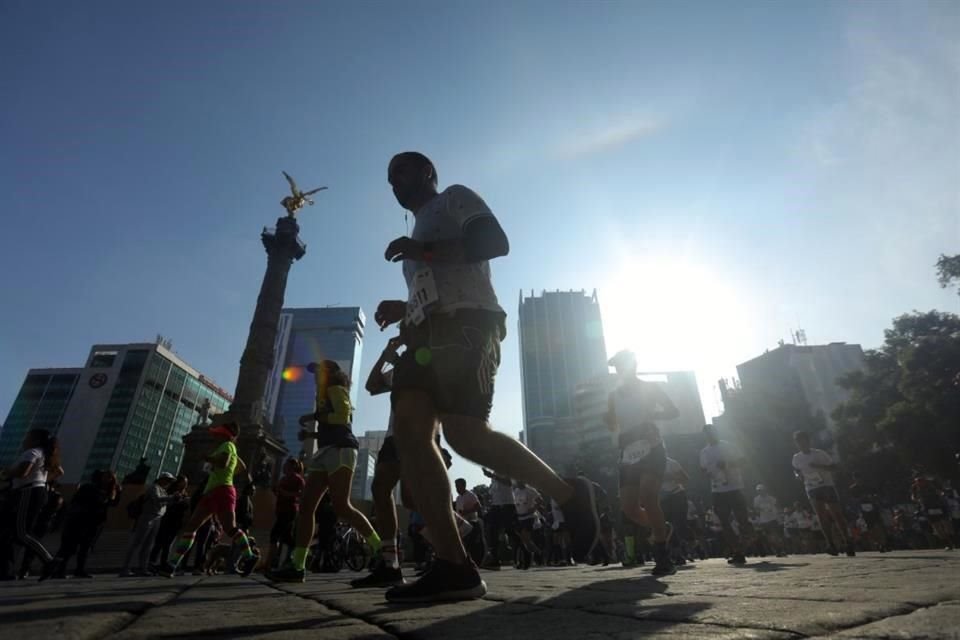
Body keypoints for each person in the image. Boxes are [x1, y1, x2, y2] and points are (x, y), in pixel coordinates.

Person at [375, 151, 601, 602]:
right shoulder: (415, 233)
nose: (395, 180)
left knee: (465, 437)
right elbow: (436, 284)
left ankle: (569, 494)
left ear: (429, 173)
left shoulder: (455, 199)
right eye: (390, 176)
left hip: (469, 326)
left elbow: (493, 243)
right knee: (409, 432)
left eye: (404, 169)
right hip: (424, 335)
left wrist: (423, 251)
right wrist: (405, 309)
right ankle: (453, 564)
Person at [266, 360, 380, 583]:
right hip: (325, 450)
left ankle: (379, 549)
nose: (315, 374)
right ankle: (298, 565)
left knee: (341, 506)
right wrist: (310, 436)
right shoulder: (322, 395)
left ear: (330, 372)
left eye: (318, 370)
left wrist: (312, 418)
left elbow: (342, 416)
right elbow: (332, 426)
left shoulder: (336, 389)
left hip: (342, 449)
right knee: (306, 507)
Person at [605, 350, 680, 576]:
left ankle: (662, 555)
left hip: (651, 446)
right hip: (628, 453)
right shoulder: (613, 395)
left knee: (648, 497)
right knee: (629, 508)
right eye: (617, 366)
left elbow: (674, 411)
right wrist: (614, 430)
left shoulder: (650, 388)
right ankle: (662, 529)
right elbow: (612, 422)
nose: (621, 369)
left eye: (624, 364)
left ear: (634, 365)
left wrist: (652, 416)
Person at [157, 422, 257, 577]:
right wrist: (229, 472)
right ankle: (172, 565)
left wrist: (208, 458)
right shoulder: (230, 447)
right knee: (196, 527)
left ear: (224, 434)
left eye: (217, 433)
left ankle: (249, 557)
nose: (214, 435)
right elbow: (242, 467)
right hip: (217, 491)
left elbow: (223, 463)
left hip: (220, 490)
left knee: (220, 527)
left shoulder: (226, 445)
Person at [0, 429, 62, 580]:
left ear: (34, 440)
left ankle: (50, 561)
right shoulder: (43, 454)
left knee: (21, 533)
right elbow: (60, 471)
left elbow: (23, 472)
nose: (24, 439)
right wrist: (41, 481)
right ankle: (47, 562)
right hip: (34, 491)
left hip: (28, 492)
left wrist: (6, 473)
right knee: (17, 532)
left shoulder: (33, 452)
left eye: (27, 437)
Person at [48, 469, 120, 579]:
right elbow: (80, 502)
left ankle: (79, 570)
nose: (109, 479)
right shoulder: (89, 488)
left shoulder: (108, 491)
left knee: (85, 548)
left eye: (111, 477)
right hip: (79, 521)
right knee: (68, 547)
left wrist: (117, 492)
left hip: (94, 523)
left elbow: (113, 503)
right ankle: (58, 570)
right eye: (107, 476)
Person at [791, 430, 854, 556]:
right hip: (811, 487)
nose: (803, 444)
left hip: (826, 485)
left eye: (805, 441)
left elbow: (834, 467)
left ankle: (848, 542)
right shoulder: (796, 458)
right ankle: (830, 544)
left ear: (809, 441)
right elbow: (796, 470)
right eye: (800, 442)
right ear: (797, 444)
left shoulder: (819, 454)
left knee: (836, 514)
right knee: (821, 516)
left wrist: (819, 466)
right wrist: (798, 476)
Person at [699, 424, 753, 565]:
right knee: (724, 522)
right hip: (717, 490)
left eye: (712, 432)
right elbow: (703, 470)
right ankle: (737, 551)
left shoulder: (729, 446)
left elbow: (743, 461)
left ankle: (747, 539)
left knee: (742, 520)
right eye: (707, 434)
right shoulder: (704, 452)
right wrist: (708, 473)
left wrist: (727, 464)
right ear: (704, 436)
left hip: (735, 487)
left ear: (716, 432)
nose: (710, 435)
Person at [119, 472, 178, 576]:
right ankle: (125, 568)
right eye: (168, 480)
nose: (169, 483)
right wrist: (171, 497)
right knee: (137, 543)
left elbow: (164, 504)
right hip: (148, 516)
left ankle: (143, 568)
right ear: (161, 479)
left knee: (148, 545)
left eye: (170, 481)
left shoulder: (163, 490)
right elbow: (156, 499)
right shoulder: (153, 487)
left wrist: (175, 499)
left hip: (158, 517)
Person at [263, 458, 305, 572]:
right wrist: (275, 491)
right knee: (286, 537)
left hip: (290, 511)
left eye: (285, 465)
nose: (283, 467)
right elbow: (279, 492)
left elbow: (302, 494)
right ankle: (289, 558)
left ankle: (268, 563)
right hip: (280, 510)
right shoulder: (283, 478)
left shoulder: (298, 479)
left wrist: (286, 493)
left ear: (292, 467)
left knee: (275, 535)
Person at [481, 468, 520, 570]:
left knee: (510, 531)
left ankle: (524, 549)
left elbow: (509, 483)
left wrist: (493, 476)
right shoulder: (494, 475)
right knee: (492, 531)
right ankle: (495, 561)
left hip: (507, 505)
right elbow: (494, 491)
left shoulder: (504, 470)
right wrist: (488, 497)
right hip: (496, 506)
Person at [149, 475, 189, 569]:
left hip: (176, 522)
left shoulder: (184, 494)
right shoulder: (170, 492)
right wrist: (177, 500)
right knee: (159, 542)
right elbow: (166, 504)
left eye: (186, 483)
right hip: (166, 519)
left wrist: (184, 501)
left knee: (168, 544)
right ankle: (152, 562)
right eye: (183, 482)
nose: (185, 484)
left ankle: (163, 563)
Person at [660, 457, 691, 565]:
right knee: (668, 525)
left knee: (679, 523)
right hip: (662, 498)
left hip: (677, 494)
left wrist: (671, 477)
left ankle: (687, 545)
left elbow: (685, 478)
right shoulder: (647, 466)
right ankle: (677, 553)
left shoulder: (671, 463)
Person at [910, 471, 953, 550]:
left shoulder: (932, 482)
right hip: (928, 507)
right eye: (918, 478)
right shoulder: (915, 486)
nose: (920, 480)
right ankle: (947, 542)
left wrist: (942, 494)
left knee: (945, 524)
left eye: (921, 478)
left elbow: (942, 490)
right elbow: (913, 496)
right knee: (937, 526)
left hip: (938, 505)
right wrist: (917, 500)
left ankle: (949, 540)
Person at [848, 473, 889, 552]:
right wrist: (861, 500)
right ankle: (878, 543)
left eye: (860, 478)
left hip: (872, 507)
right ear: (854, 479)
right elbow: (853, 500)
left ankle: (884, 543)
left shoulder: (868, 486)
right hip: (863, 509)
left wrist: (874, 498)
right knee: (870, 527)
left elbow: (875, 495)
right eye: (857, 478)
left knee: (879, 525)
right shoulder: (853, 488)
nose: (859, 480)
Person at [454, 478, 485, 565]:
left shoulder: (470, 495)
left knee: (471, 545)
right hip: (461, 524)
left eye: (458, 486)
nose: (456, 488)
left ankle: (473, 561)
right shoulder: (458, 498)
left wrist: (467, 511)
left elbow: (478, 506)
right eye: (456, 487)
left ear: (463, 486)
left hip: (472, 523)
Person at [753, 485, 787, 557]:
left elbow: (777, 505)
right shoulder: (756, 499)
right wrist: (762, 509)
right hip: (764, 521)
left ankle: (781, 550)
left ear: (764, 490)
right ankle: (777, 550)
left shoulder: (771, 498)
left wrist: (775, 511)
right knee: (769, 537)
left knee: (776, 535)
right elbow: (756, 509)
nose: (760, 492)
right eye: (758, 491)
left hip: (773, 519)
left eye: (761, 490)